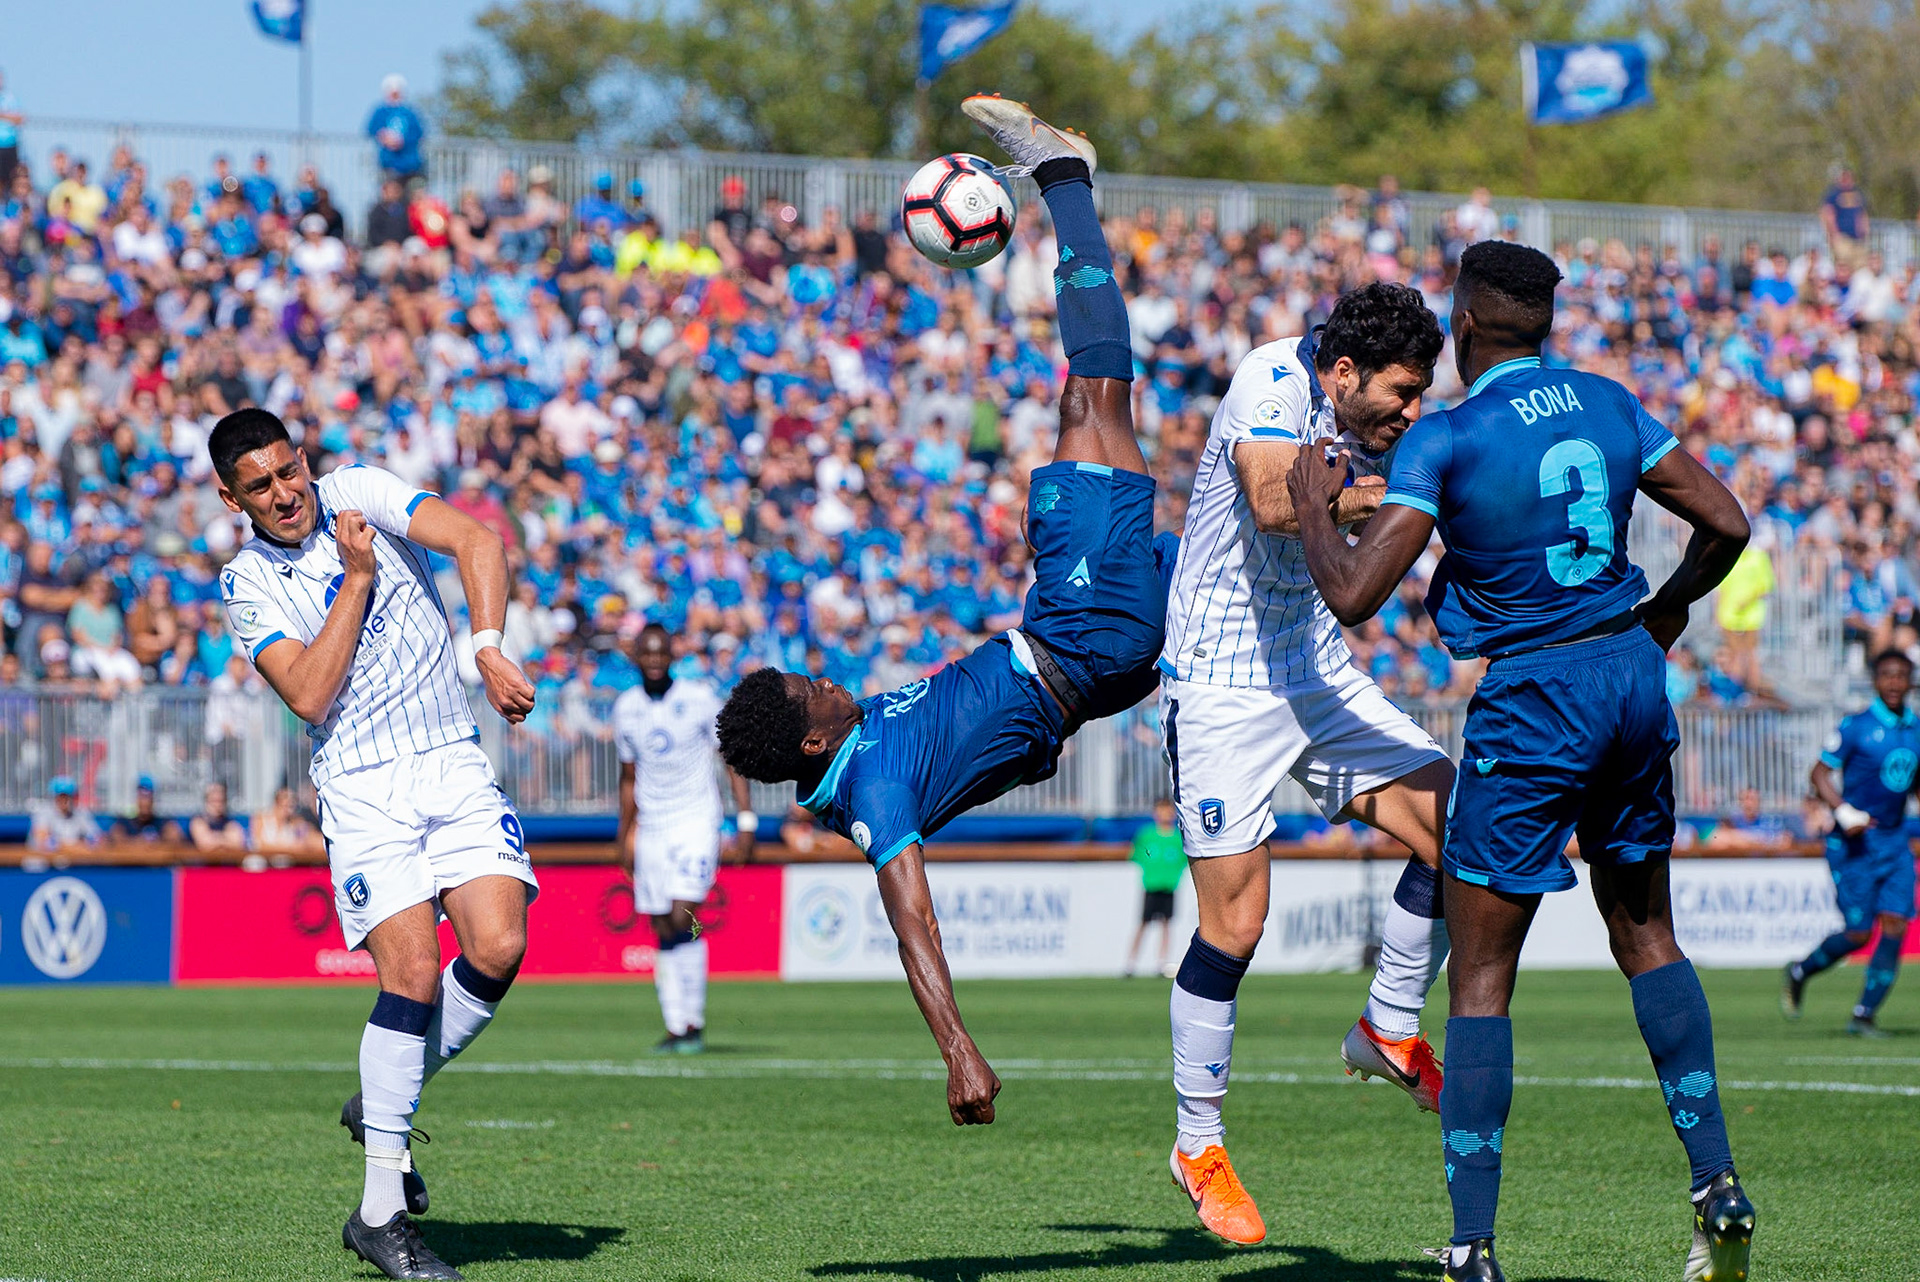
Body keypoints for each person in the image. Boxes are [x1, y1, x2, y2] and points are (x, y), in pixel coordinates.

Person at [1285, 239, 1755, 1282]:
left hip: (1537, 695)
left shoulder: (1447, 438)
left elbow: (1355, 594)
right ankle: (1717, 1182)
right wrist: (1667, 609)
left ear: (1460, 331)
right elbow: (1727, 521)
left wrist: (1314, 502)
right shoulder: (1612, 401)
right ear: (1543, 325)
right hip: (1631, 677)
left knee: (1484, 980)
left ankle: (1472, 1245)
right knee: (1649, 938)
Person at [717, 97, 1169, 1131]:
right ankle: (1063, 181)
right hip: (1079, 639)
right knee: (1096, 400)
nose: (827, 674)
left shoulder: (845, 745)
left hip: (1073, 640)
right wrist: (958, 1049)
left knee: (1082, 419)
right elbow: (911, 913)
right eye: (810, 686)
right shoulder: (872, 789)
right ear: (816, 729)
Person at [1155, 279, 1452, 1245]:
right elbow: (1280, 501)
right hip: (1221, 684)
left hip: (1314, 668)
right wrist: (1414, 501)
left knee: (1466, 831)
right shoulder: (1270, 381)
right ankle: (1197, 1144)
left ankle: (1388, 1025)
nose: (1412, 413)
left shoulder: (1386, 419)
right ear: (1342, 371)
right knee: (1237, 925)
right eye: (1401, 394)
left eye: (1423, 397)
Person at [211, 407, 537, 1281]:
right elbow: (312, 696)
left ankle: (386, 1097)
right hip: (360, 783)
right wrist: (355, 580)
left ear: (304, 460)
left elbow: (476, 541)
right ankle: (380, 1213)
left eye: (289, 472)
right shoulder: (245, 583)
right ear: (230, 497)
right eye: (261, 486)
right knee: (413, 976)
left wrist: (489, 647)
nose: (285, 495)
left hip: (451, 756)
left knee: (500, 946)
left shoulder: (360, 491)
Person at [612, 623, 755, 1054]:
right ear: (636, 657)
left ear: (672, 656)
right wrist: (624, 835)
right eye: (647, 654)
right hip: (652, 825)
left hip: (696, 819)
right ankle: (679, 1025)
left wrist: (745, 820)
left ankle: (692, 1019)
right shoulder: (626, 707)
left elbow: (730, 756)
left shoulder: (698, 699)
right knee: (660, 922)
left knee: (681, 912)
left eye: (661, 653)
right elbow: (628, 776)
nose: (655, 661)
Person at [1783, 649, 1920, 1036]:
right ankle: (1801, 970)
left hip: (1893, 841)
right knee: (1859, 932)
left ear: (1910, 681)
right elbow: (1820, 772)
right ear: (1876, 680)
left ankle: (1863, 1015)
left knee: (1895, 925)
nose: (1895, 683)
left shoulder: (1915, 730)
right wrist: (1843, 811)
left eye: (1901, 675)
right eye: (1887, 675)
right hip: (1854, 845)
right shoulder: (1856, 726)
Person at [1124, 798, 1184, 979]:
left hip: (1169, 886)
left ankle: (1161, 963)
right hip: (1151, 885)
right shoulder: (1147, 835)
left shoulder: (1177, 837)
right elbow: (1136, 855)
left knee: (1166, 924)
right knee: (1143, 923)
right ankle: (1130, 964)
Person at [366, 74, 426, 184]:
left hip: (410, 164)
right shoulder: (380, 112)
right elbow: (371, 129)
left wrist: (402, 141)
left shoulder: (410, 113)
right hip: (389, 164)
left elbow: (418, 132)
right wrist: (384, 137)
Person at [29, 776, 101, 855]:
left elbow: (97, 838)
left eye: (67, 796)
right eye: (60, 796)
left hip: (71, 861)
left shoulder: (80, 813)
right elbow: (43, 841)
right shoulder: (43, 812)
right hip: (44, 863)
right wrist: (77, 847)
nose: (63, 800)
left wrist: (90, 843)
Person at [254, 785, 327, 859]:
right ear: (276, 803)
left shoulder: (296, 823)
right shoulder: (261, 819)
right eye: (285, 805)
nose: (288, 810)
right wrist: (288, 848)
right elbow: (259, 845)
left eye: (291, 806)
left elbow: (315, 841)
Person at [110, 775, 183, 843]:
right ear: (136, 800)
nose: (145, 802)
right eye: (142, 797)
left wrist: (155, 842)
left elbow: (175, 836)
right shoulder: (125, 822)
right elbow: (117, 837)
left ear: (153, 800)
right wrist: (138, 842)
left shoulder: (161, 822)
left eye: (148, 798)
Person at [187, 781, 249, 853]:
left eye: (221, 801)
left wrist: (215, 838)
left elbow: (238, 844)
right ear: (206, 801)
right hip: (204, 863)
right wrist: (226, 838)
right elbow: (205, 844)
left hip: (227, 862)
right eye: (214, 800)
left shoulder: (231, 823)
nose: (218, 805)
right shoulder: (198, 821)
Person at [0, 70, 22, 190]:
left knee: (11, 178)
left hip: (10, 144)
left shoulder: (10, 97)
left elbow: (19, 118)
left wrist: (3, 115)